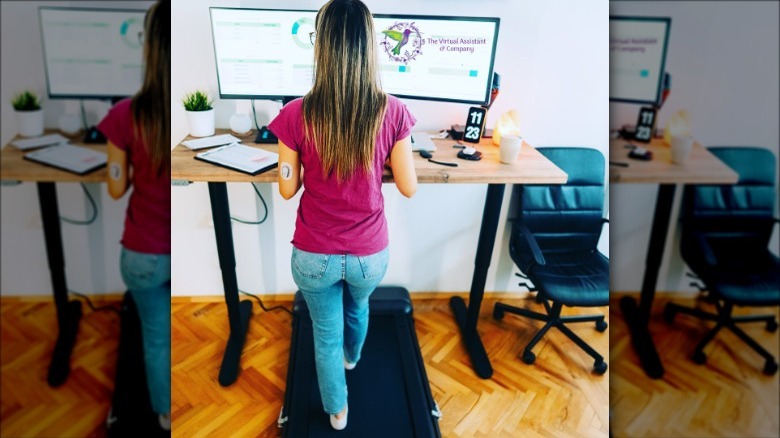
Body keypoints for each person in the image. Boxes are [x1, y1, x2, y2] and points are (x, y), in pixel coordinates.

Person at [268, 0, 417, 431]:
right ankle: (355, 357)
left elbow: (285, 186)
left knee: (324, 333)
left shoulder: (295, 113)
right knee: (359, 307)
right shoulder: (392, 111)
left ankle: (337, 411)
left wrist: (292, 156)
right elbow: (408, 186)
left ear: (322, 48)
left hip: (314, 255)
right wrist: (382, 158)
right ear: (370, 47)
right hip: (369, 255)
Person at [97, 0, 171, 431]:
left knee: (156, 337)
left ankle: (164, 414)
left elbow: (115, 185)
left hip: (142, 256)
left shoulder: (124, 115)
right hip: (172, 251)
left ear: (150, 49)